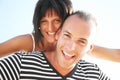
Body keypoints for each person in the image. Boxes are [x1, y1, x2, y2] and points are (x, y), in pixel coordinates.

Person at [0, 11, 110, 80]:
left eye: (81, 41)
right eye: (67, 35)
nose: (70, 47)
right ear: (58, 34)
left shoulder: (94, 74)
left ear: (90, 48)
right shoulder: (21, 64)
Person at [0, 0, 73, 57]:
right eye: (44, 21)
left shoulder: (72, 44)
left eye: (57, 21)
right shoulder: (30, 41)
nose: (50, 28)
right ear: (38, 23)